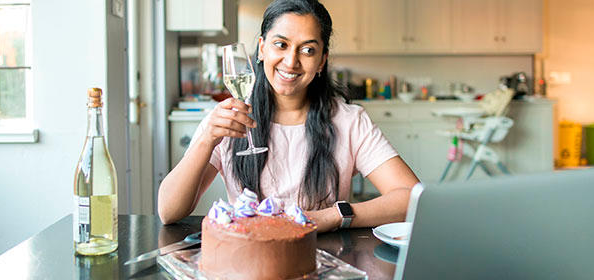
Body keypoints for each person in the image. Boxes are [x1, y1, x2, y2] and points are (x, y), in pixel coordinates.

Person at [158, 0, 419, 232]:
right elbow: (168, 212)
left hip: (321, 258)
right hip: (246, 263)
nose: (291, 61)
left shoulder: (349, 121)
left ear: (321, 61)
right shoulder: (229, 118)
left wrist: (331, 216)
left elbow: (411, 197)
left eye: (307, 50)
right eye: (280, 45)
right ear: (261, 49)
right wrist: (206, 140)